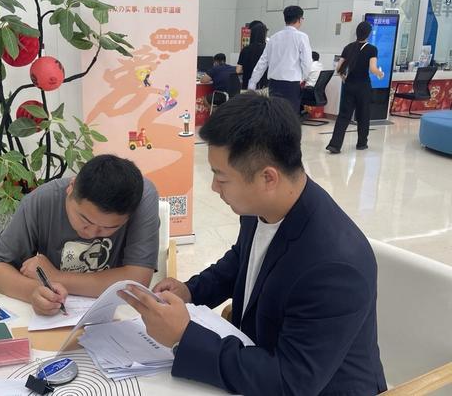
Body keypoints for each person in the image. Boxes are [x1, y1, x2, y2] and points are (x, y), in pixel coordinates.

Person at [119, 94, 387, 395]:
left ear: (268, 178)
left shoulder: (334, 266)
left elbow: (291, 383)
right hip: (258, 361)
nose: (214, 187)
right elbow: (242, 260)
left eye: (221, 178)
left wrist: (184, 336)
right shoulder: (262, 206)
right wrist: (191, 290)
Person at [0, 154, 159, 316]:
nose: (92, 233)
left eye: (109, 228)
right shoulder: (43, 200)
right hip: (59, 314)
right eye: (84, 220)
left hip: (116, 312)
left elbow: (137, 280)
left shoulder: (142, 197)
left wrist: (55, 276)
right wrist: (33, 291)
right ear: (71, 188)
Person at [327, 21, 384, 153]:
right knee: (363, 115)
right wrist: (380, 73)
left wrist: (344, 79)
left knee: (343, 116)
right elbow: (373, 68)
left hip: (349, 85)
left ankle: (334, 145)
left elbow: (338, 68)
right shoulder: (372, 49)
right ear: (368, 34)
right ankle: (361, 143)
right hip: (363, 86)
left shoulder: (348, 47)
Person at [248, 5, 313, 115]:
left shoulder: (273, 38)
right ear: (299, 19)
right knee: (290, 117)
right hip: (292, 85)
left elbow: (262, 62)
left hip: (274, 85)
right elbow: (306, 62)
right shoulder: (302, 37)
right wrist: (304, 78)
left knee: (274, 115)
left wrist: (252, 82)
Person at [237, 21, 269, 90]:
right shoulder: (266, 49)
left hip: (247, 85)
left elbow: (238, 70)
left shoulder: (245, 49)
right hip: (262, 86)